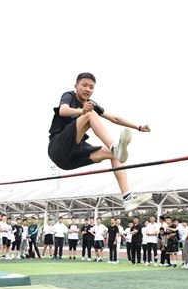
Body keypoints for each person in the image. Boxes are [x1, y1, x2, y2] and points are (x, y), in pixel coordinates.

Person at [49, 73, 152, 212]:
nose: (88, 89)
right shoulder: (69, 96)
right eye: (84, 85)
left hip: (72, 158)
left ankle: (127, 198)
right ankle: (114, 147)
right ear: (76, 86)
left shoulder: (91, 103)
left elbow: (114, 118)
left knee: (114, 155)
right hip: (58, 148)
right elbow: (63, 110)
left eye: (91, 87)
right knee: (90, 113)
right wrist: (82, 111)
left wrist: (138, 127)